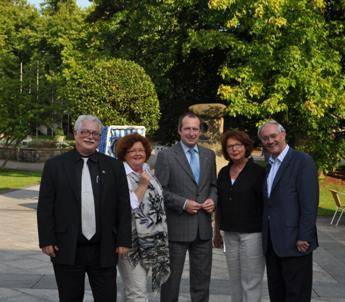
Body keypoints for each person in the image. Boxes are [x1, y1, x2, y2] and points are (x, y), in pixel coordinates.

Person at [37, 115, 132, 302]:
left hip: (104, 248)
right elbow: (45, 206)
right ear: (75, 134)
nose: (90, 136)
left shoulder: (114, 167)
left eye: (95, 133)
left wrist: (124, 240)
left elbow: (123, 206)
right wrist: (46, 239)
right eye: (85, 132)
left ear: (100, 136)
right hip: (66, 247)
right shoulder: (54, 166)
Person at [155, 112, 217, 302]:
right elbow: (160, 191)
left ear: (200, 131)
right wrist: (183, 204)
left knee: (201, 282)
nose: (191, 133)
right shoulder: (166, 155)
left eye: (195, 129)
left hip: (203, 229)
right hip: (176, 229)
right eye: (187, 128)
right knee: (171, 282)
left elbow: (213, 186)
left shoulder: (209, 155)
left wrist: (213, 200)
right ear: (180, 130)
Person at [257, 120, 319, 302]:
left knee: (296, 295)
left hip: (295, 242)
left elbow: (309, 203)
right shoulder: (270, 164)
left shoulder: (302, 161)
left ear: (283, 135)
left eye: (273, 136)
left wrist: (304, 236)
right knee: (277, 293)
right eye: (265, 138)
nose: (270, 141)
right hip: (273, 244)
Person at [115, 133, 170, 302]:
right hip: (131, 244)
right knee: (137, 293)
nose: (138, 153)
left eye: (141, 150)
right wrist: (143, 185)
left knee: (131, 289)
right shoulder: (119, 174)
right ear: (124, 154)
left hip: (151, 242)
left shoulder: (146, 170)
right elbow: (127, 206)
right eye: (132, 151)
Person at [213, 130, 265, 302]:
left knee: (251, 281)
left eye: (238, 145)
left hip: (253, 234)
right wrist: (216, 232)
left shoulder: (258, 172)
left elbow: (266, 206)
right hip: (230, 233)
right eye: (230, 147)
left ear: (246, 146)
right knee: (234, 281)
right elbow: (219, 205)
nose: (234, 149)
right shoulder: (223, 172)